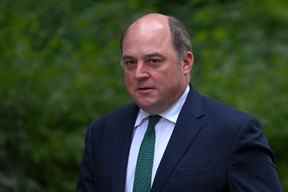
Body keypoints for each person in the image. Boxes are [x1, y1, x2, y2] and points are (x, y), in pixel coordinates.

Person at [77, 13, 282, 192]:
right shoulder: (103, 133)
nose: (139, 73)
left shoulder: (233, 133)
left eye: (153, 61)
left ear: (185, 62)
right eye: (130, 62)